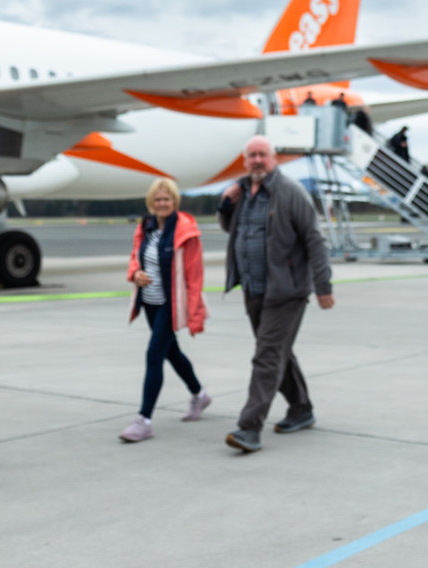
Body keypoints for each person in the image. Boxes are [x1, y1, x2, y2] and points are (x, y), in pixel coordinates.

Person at [217, 136, 334, 453]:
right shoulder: (241, 193)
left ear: (274, 159)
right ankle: (301, 408)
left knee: (267, 357)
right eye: (252, 155)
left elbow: (314, 241)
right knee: (277, 352)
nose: (257, 160)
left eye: (263, 155)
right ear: (245, 160)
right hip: (253, 289)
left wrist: (323, 286)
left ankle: (249, 428)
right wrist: (226, 204)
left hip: (286, 291)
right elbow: (231, 229)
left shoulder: (290, 192)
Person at [120, 177, 210, 442]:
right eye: (158, 199)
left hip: (172, 303)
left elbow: (194, 276)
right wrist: (135, 273)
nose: (162, 203)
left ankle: (144, 420)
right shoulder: (145, 227)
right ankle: (200, 394)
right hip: (150, 301)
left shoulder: (185, 230)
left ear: (174, 201)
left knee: (154, 355)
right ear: (151, 202)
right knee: (171, 352)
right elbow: (135, 257)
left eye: (166, 199)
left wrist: (195, 313)